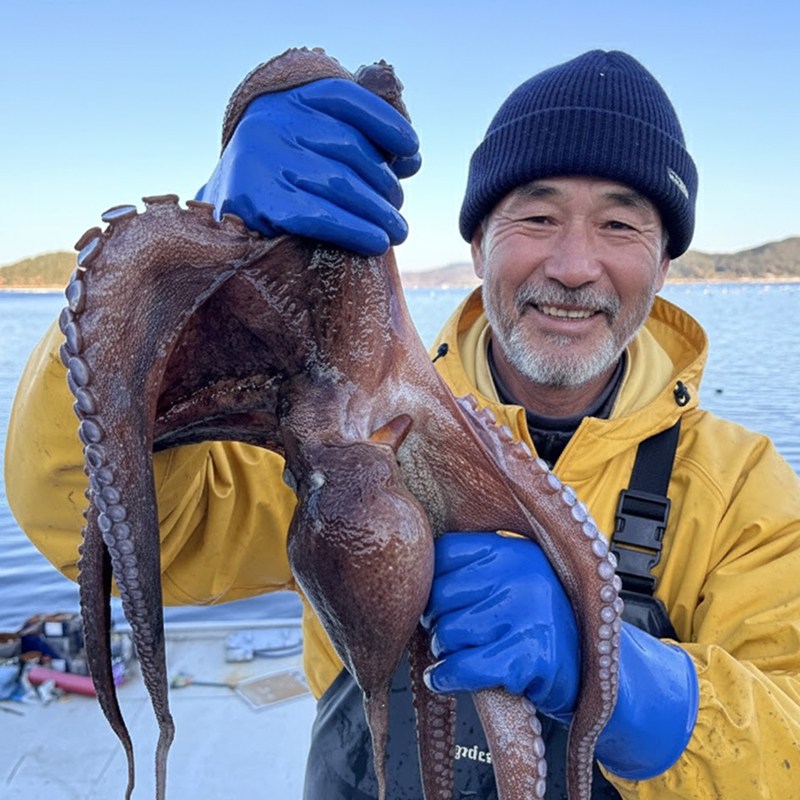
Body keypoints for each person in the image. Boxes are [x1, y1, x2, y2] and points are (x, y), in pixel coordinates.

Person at [6, 49, 800, 799]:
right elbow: (95, 504)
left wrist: (635, 691)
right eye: (536, 217)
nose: (573, 265)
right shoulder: (331, 432)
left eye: (622, 226)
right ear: (479, 242)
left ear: (664, 266)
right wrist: (196, 274)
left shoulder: (739, 488)